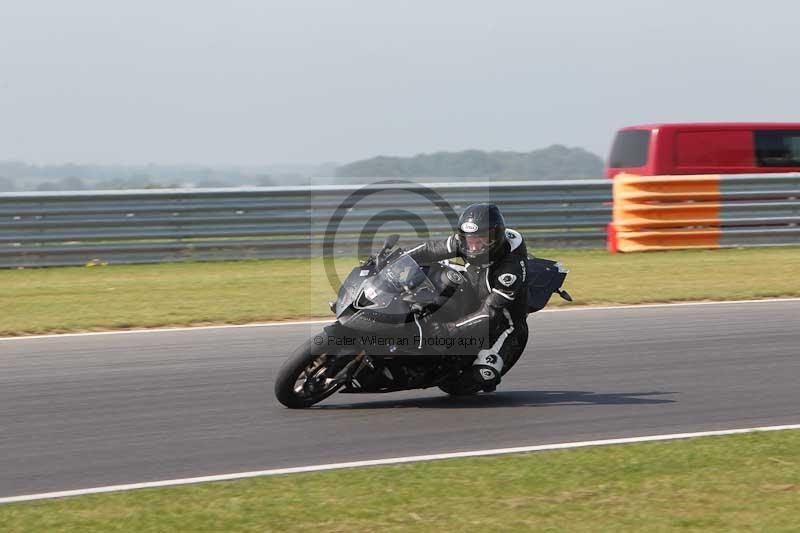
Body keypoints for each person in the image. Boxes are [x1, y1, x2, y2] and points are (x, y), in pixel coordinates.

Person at [403, 203, 529, 391]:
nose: (474, 246)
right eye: (470, 240)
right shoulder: (465, 241)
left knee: (483, 375)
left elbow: (490, 313)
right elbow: (430, 249)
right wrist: (397, 259)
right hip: (473, 290)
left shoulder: (510, 270)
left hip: (503, 324)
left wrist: (450, 329)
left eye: (481, 241)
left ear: (496, 238)